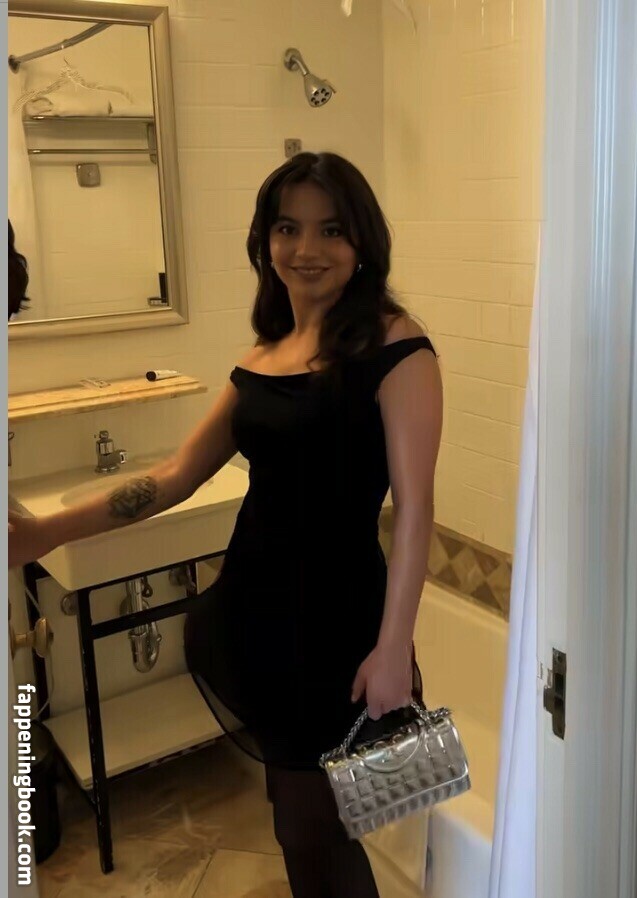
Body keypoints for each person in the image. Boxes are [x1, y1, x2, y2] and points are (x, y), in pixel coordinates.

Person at [9, 152, 443, 898]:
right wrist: (48, 532)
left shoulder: (397, 347)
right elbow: (175, 476)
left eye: (331, 230)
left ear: (363, 242)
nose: (306, 249)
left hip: (336, 624)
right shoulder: (266, 356)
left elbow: (415, 512)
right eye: (288, 228)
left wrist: (393, 645)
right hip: (257, 617)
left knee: (317, 832)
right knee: (297, 820)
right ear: (264, 240)